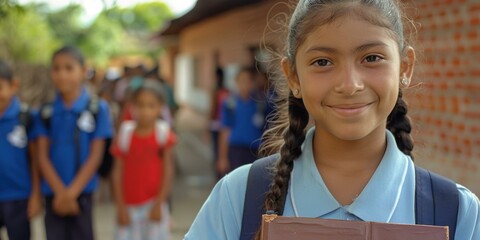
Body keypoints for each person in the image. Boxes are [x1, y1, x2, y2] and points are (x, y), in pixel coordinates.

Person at [185, 0, 480, 239]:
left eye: (372, 58)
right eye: (322, 62)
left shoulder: (457, 212)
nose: (349, 84)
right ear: (293, 76)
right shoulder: (238, 197)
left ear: (405, 67)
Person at [35, 46, 113, 240]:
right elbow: (42, 156)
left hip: (83, 195)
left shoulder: (98, 109)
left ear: (83, 70)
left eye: (69, 68)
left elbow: (96, 156)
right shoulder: (46, 112)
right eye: (57, 68)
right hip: (53, 195)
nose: (62, 74)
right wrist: (61, 194)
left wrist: (71, 194)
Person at [111, 80, 176, 240]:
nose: (145, 111)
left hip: (153, 205)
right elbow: (117, 172)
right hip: (128, 207)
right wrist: (120, 207)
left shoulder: (163, 134)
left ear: (160, 107)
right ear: (131, 106)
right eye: (140, 105)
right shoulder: (125, 134)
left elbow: (168, 170)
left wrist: (160, 203)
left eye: (151, 105)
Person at [0, 60, 42, 240]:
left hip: (19, 197)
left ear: (13, 85)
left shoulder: (25, 117)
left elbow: (35, 160)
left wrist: (35, 195)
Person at [216, 67, 268, 177]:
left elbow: (266, 130)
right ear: (236, 82)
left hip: (255, 150)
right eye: (242, 80)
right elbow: (225, 130)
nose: (245, 84)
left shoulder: (260, 103)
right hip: (236, 151)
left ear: (252, 83)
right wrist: (222, 158)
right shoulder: (230, 103)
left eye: (248, 81)